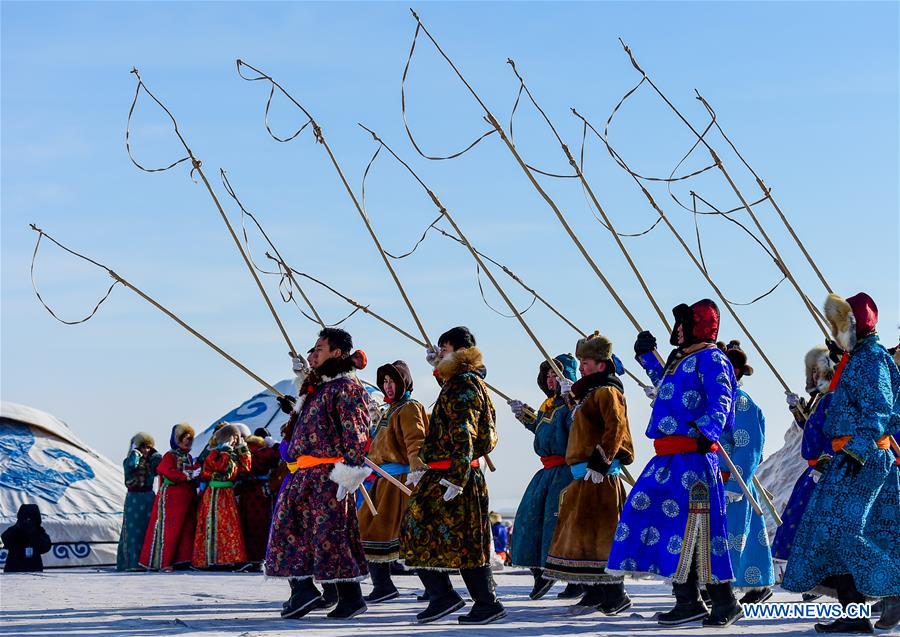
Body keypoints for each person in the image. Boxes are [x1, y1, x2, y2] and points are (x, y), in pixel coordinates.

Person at [608, 299, 743, 628]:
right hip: (667, 458)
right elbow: (667, 389)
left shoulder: (712, 358)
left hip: (694, 459)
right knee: (667, 526)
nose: (677, 329)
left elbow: (723, 397)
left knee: (699, 530)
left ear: (697, 326)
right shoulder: (681, 361)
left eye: (683, 323)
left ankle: (723, 600)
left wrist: (706, 431)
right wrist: (646, 357)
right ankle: (687, 599)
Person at [783, 293, 900, 633]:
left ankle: (893, 586)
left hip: (860, 459)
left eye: (839, 325)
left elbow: (880, 409)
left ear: (854, 324)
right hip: (846, 457)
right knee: (834, 535)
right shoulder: (858, 358)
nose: (835, 333)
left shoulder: (873, 360)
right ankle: (855, 616)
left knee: (847, 533)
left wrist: (857, 451)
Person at [399, 326, 505, 625]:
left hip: (454, 475)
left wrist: (457, 478)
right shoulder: (458, 381)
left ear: (459, 351)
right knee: (430, 532)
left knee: (455, 537)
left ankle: (482, 602)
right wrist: (439, 368)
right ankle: (447, 596)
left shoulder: (462, 386)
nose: (438, 353)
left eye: (443, 349)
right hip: (445, 471)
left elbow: (464, 432)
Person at [266, 328, 372, 621]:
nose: (313, 354)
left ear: (337, 353)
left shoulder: (347, 389)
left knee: (331, 537)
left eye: (319, 349)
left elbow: (357, 434)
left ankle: (335, 596)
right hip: (304, 474)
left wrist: (350, 472)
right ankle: (310, 592)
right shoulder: (317, 389)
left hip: (328, 476)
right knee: (291, 530)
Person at [543, 332, 635, 616]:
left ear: (601, 365)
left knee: (602, 534)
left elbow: (615, 428)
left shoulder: (608, 391)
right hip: (583, 474)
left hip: (599, 474)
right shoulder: (589, 393)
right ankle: (595, 590)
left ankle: (616, 594)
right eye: (581, 361)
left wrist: (601, 461)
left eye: (586, 362)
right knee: (584, 533)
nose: (581, 366)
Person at [507, 354, 584, 600]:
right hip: (547, 473)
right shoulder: (548, 405)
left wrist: (572, 400)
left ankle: (572, 577)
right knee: (529, 520)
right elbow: (542, 429)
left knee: (557, 523)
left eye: (556, 375)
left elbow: (578, 430)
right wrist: (525, 415)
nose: (551, 379)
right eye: (548, 375)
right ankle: (540, 571)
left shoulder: (574, 405)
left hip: (566, 473)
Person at [358, 359, 427, 603]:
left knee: (404, 534)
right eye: (384, 381)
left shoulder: (409, 407)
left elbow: (415, 440)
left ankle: (434, 586)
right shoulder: (391, 409)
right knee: (370, 529)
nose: (388, 386)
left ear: (403, 382)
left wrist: (417, 471)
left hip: (400, 480)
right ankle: (383, 585)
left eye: (393, 381)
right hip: (382, 478)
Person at [717, 341, 775, 604]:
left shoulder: (742, 404)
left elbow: (749, 447)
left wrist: (736, 486)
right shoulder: (718, 403)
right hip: (715, 483)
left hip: (734, 483)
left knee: (740, 537)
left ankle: (754, 587)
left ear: (736, 373)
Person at [770, 346, 835, 567]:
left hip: (828, 466)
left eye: (819, 371)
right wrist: (797, 409)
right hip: (813, 467)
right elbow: (810, 427)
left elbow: (834, 433)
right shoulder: (819, 399)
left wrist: (827, 460)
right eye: (813, 372)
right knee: (797, 515)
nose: (815, 376)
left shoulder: (835, 398)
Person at [139, 423, 199, 571]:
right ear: (177, 439)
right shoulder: (169, 455)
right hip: (172, 498)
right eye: (184, 437)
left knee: (186, 529)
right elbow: (166, 471)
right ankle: (164, 562)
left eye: (189, 438)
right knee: (170, 529)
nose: (187, 440)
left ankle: (183, 560)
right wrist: (188, 475)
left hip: (187, 496)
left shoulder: (189, 457)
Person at [191, 423, 251, 569]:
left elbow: (246, 468)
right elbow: (220, 467)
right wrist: (226, 450)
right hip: (215, 495)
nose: (238, 439)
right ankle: (211, 560)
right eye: (236, 437)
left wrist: (243, 449)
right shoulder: (214, 453)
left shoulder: (232, 453)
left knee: (230, 527)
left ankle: (230, 558)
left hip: (227, 494)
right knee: (216, 525)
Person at [237, 429, 281, 570]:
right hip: (261, 493)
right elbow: (281, 454)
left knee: (247, 525)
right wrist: (274, 445)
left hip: (246, 491)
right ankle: (261, 557)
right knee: (262, 525)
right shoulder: (264, 452)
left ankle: (249, 557)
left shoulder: (242, 450)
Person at [117, 432, 162, 571]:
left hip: (149, 497)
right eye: (143, 447)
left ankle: (148, 562)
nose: (146, 450)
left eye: (149, 447)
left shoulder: (151, 462)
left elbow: (160, 467)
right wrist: (135, 452)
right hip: (134, 498)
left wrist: (155, 453)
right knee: (133, 531)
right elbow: (132, 465)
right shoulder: (128, 460)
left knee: (148, 530)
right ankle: (132, 563)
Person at [2, 504, 52, 572]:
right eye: (26, 518)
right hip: (15, 568)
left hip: (33, 568)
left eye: (30, 518)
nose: (28, 521)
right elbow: (3, 542)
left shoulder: (39, 531)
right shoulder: (14, 530)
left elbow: (46, 546)